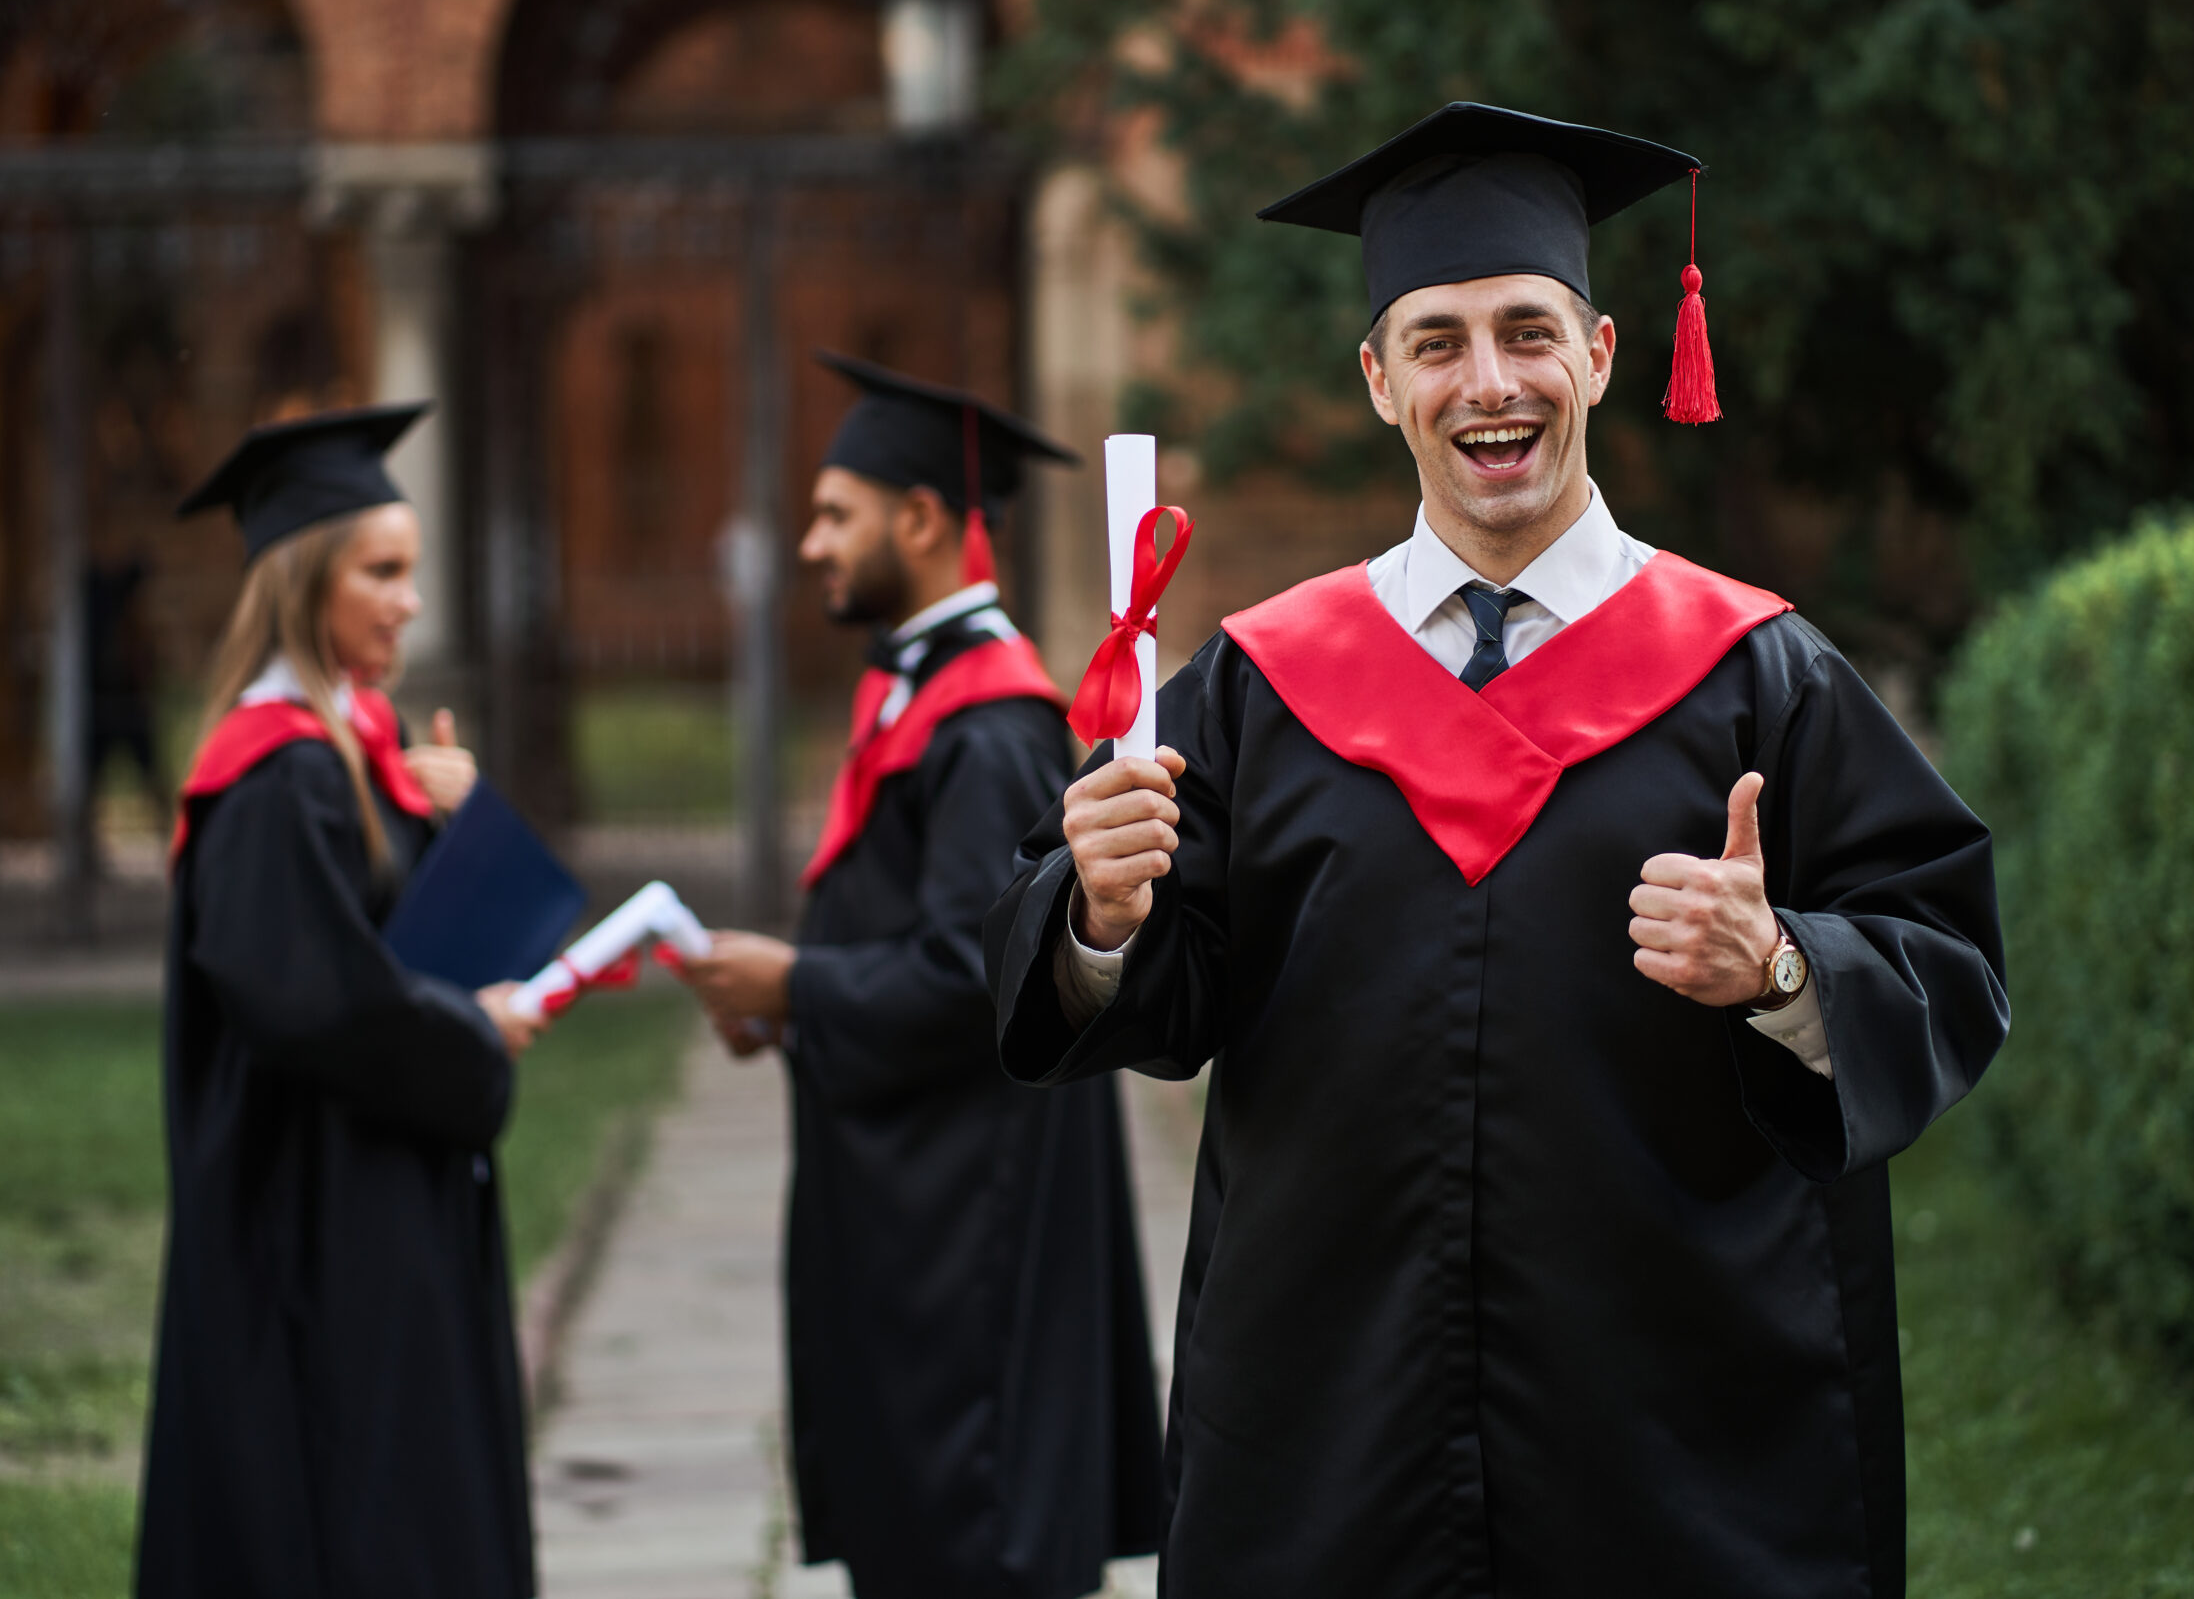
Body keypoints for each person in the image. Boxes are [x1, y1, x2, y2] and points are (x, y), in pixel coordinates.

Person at [985, 103, 2010, 1597]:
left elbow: (1950, 960)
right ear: (1379, 380)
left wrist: (1785, 963)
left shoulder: (1758, 674)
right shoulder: (1256, 689)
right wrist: (1098, 911)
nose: (1491, 383)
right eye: (1440, 340)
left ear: (1597, 355)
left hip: (1675, 1431)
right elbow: (1128, 988)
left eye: (1528, 331)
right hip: (1338, 1420)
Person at [671, 353, 1164, 1599]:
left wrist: (799, 985)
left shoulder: (986, 720)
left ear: (924, 519)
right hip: (921, 1199)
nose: (810, 542)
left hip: (972, 1220)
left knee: (971, 1529)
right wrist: (794, 1006)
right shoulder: (926, 691)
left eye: (836, 512)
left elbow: (970, 971)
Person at [137, 403, 544, 1599]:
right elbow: (324, 1004)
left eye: (411, 570)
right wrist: (479, 1030)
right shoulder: (275, 776)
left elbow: (440, 936)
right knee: (351, 1518)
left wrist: (457, 814)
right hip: (312, 1223)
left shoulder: (362, 751)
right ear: (304, 576)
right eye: (383, 571)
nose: (410, 601)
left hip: (379, 1197)